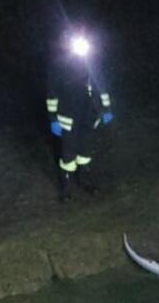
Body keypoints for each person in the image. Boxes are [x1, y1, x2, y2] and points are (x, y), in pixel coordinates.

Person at [46, 30, 113, 201]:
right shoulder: (59, 67)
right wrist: (53, 119)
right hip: (68, 118)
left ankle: (85, 181)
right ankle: (65, 189)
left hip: (88, 116)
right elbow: (52, 94)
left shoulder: (90, 64)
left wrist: (106, 109)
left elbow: (101, 87)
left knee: (85, 151)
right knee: (68, 155)